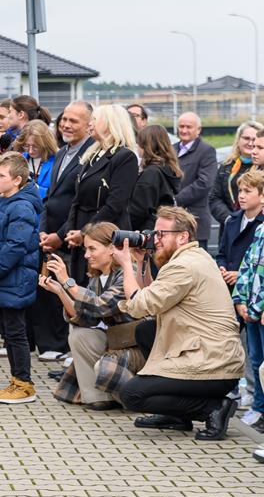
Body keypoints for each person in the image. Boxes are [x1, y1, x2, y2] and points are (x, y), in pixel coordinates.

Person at [118, 206, 245, 441]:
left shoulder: (183, 266)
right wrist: (139, 261)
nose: (155, 240)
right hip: (211, 354)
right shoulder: (192, 257)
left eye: (161, 234)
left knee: (132, 395)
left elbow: (138, 305)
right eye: (154, 233)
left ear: (182, 236)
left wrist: (125, 264)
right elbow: (152, 300)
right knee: (147, 330)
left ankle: (213, 409)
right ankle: (176, 415)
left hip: (213, 365)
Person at [42, 222, 146, 410]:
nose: (86, 255)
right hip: (115, 344)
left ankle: (137, 399)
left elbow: (101, 306)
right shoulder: (97, 279)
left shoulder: (129, 272)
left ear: (112, 248)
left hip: (136, 348)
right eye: (85, 249)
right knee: (79, 333)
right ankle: (98, 397)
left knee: (104, 366)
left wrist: (67, 281)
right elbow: (86, 318)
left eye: (92, 248)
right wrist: (60, 291)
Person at [0, 152, 44, 404]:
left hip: (13, 279)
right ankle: (15, 380)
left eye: (1, 176)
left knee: (15, 332)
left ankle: (24, 384)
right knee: (7, 331)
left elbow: (15, 247)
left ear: (17, 180)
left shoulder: (22, 207)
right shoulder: (0, 203)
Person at [36, 101, 94, 364]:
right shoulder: (61, 153)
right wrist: (44, 231)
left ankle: (70, 347)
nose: (66, 125)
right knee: (50, 289)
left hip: (72, 236)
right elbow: (52, 197)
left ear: (88, 125)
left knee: (72, 290)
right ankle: (53, 344)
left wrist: (60, 234)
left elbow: (77, 202)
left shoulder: (90, 154)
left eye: (74, 121)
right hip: (51, 236)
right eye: (64, 120)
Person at [64, 104, 139, 283]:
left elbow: (115, 203)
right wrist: (71, 230)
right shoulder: (92, 154)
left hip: (105, 235)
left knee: (101, 288)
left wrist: (85, 232)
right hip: (82, 233)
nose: (90, 123)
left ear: (110, 123)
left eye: (95, 119)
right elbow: (77, 197)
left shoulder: (125, 157)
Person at [221, 170, 264, 426]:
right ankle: (258, 406)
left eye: (248, 191)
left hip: (260, 307)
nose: (241, 195)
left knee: (262, 364)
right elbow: (249, 266)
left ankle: (260, 405)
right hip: (249, 305)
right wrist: (240, 300)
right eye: (240, 191)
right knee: (256, 358)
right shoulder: (254, 230)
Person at [209, 121, 263, 239]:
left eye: (254, 140)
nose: (250, 143)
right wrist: (230, 219)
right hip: (229, 228)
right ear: (238, 140)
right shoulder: (227, 166)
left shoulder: (261, 169)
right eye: (246, 138)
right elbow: (214, 197)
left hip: (254, 228)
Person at [173, 112, 218, 244]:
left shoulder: (206, 151)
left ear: (198, 130)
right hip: (173, 220)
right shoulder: (171, 149)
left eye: (189, 127)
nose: (184, 130)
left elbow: (204, 183)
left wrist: (175, 200)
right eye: (181, 126)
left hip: (195, 221)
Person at [129, 125, 183, 232]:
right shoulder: (167, 169)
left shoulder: (151, 173)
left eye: (139, 142)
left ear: (146, 145)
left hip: (147, 231)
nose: (136, 145)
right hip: (160, 229)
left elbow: (138, 210)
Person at [13, 119, 58, 200]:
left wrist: (35, 189)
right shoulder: (20, 159)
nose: (30, 151)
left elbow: (58, 195)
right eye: (26, 146)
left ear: (45, 144)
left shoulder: (57, 161)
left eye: (35, 146)